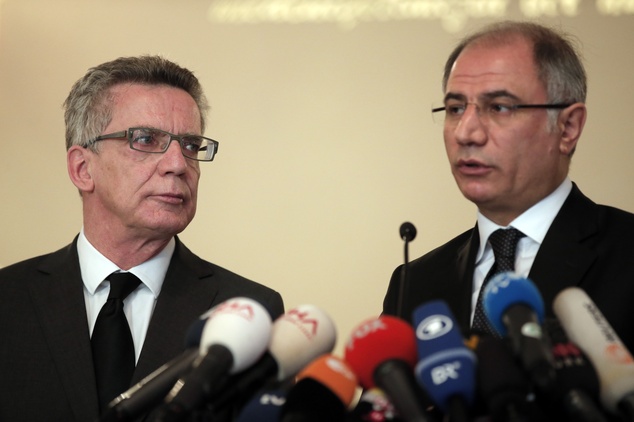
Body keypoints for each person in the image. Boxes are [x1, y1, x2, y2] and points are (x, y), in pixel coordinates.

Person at [0, 55, 284, 422]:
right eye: (147, 140)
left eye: (191, 145)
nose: (178, 164)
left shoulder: (249, 311)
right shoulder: (8, 300)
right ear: (83, 169)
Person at [383, 21, 634, 353]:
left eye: (499, 107)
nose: (466, 133)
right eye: (456, 109)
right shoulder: (414, 285)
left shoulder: (625, 253)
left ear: (568, 127)